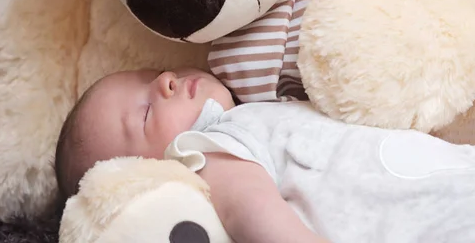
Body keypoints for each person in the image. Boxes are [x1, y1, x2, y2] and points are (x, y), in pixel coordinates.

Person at [54, 68, 475, 243]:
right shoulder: (207, 153)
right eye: (145, 113)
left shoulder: (261, 107)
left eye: (153, 74)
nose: (166, 80)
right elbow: (251, 212)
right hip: (415, 222)